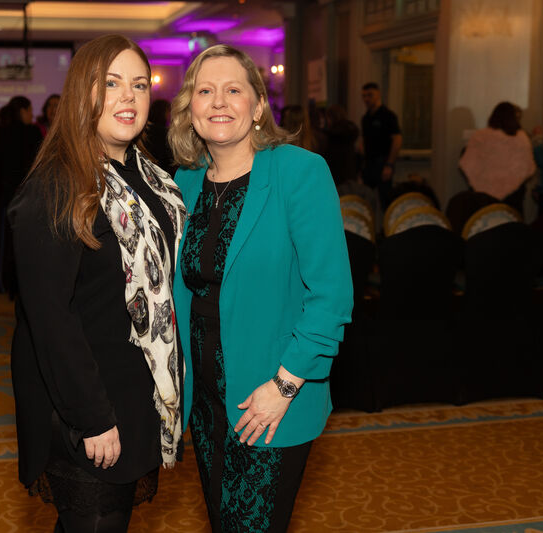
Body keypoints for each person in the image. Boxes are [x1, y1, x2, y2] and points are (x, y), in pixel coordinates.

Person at [168, 45, 353, 533]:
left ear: (257, 106)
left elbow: (331, 297)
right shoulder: (182, 184)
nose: (219, 102)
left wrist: (286, 384)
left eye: (233, 90)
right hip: (205, 402)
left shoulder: (298, 172)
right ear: (190, 109)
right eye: (205, 91)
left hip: (269, 399)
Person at [8, 34, 187, 533]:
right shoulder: (59, 185)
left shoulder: (148, 178)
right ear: (82, 93)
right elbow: (49, 318)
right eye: (110, 84)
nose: (128, 97)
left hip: (134, 390)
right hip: (86, 400)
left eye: (139, 84)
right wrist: (92, 416)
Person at [0, 96, 42, 294]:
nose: (32, 114)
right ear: (21, 111)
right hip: (29, 197)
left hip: (5, 196)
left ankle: (3, 283)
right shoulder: (33, 133)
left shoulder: (1, 134)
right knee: (28, 243)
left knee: (3, 243)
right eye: (29, 110)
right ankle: (24, 284)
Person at [458, 101, 535, 214]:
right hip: (513, 198)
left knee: (484, 226)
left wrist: (481, 183)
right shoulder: (521, 138)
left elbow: (467, 165)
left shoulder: (480, 136)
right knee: (510, 227)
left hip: (482, 198)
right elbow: (528, 168)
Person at [360, 82, 402, 208]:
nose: (366, 99)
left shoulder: (388, 116)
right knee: (366, 199)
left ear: (378, 95)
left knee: (386, 200)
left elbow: (397, 140)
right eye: (364, 96)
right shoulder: (365, 118)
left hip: (383, 163)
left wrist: (389, 164)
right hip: (369, 164)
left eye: (370, 95)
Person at [322, 104, 359, 185]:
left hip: (337, 175)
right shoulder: (351, 130)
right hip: (351, 172)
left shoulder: (332, 135)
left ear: (331, 117)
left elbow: (331, 158)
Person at [142, 99, 176, 175]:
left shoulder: (144, 130)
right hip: (161, 172)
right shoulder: (164, 132)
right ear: (163, 112)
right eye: (169, 111)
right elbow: (169, 158)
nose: (169, 115)